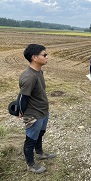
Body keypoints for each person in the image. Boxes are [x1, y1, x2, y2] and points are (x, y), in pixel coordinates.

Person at [18, 44, 56, 173]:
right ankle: (30, 165)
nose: (47, 57)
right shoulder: (29, 77)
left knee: (40, 133)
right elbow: (22, 97)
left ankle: (40, 153)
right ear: (34, 57)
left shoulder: (39, 71)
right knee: (30, 139)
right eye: (44, 55)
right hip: (33, 114)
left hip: (43, 111)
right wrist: (21, 112)